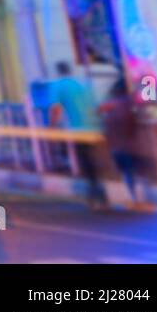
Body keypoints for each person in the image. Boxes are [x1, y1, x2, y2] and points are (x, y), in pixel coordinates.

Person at [49, 61, 107, 208]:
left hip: (79, 130)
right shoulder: (82, 84)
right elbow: (97, 107)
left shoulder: (58, 85)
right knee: (93, 160)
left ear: (58, 72)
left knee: (85, 161)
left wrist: (52, 126)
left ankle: (95, 193)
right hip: (95, 128)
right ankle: (99, 191)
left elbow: (56, 109)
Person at [98, 80, 149, 210]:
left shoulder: (110, 106)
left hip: (119, 147)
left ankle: (133, 198)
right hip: (132, 146)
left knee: (128, 173)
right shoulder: (131, 103)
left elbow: (104, 123)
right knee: (137, 172)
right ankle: (140, 199)